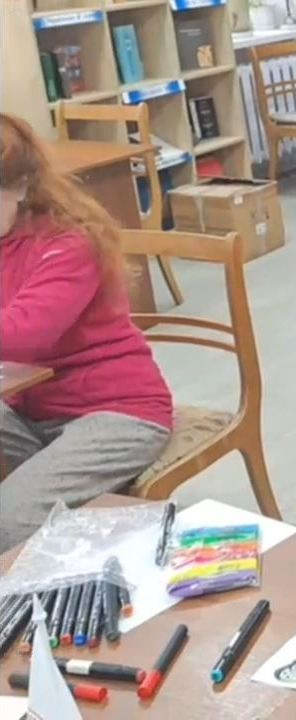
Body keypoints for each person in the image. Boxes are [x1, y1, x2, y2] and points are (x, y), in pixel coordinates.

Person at [0, 113, 172, 551]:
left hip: (117, 411)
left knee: (6, 520)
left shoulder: (69, 242)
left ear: (21, 186)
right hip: (31, 407)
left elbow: (24, 334)